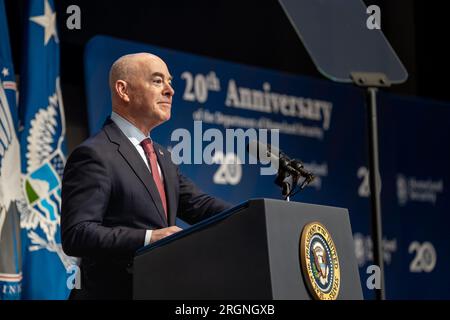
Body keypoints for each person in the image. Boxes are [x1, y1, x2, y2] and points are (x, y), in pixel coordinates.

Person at [61, 52, 232, 300]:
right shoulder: (94, 154)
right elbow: (77, 234)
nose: (170, 90)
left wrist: (256, 213)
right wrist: (150, 237)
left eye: (170, 81)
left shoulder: (162, 157)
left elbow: (200, 206)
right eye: (157, 80)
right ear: (123, 91)